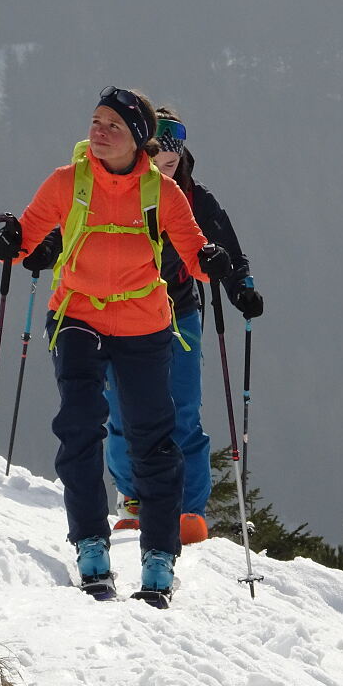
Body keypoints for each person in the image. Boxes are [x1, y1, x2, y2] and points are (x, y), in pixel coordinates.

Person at [0, 86, 230, 605]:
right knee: (79, 428)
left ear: (137, 139)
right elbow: (28, 239)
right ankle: (90, 545)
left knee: (153, 440)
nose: (98, 131)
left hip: (143, 322)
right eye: (96, 121)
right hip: (76, 316)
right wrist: (11, 243)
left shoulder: (163, 195)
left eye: (112, 125)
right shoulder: (66, 182)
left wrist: (211, 262)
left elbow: (192, 254)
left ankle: (159, 557)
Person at [105, 108, 263, 545]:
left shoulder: (195, 198)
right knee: (121, 410)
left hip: (179, 311)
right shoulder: (115, 187)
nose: (165, 169)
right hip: (123, 311)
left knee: (184, 413)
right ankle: (134, 500)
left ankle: (189, 512)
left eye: (172, 161)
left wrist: (242, 290)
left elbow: (230, 252)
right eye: (159, 161)